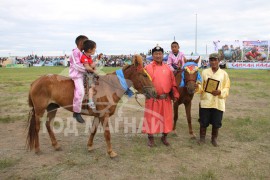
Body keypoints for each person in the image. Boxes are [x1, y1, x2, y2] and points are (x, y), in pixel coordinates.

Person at [142, 45, 180, 147]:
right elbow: (142, 82)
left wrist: (175, 94)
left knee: (166, 119)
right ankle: (150, 138)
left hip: (165, 99)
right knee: (151, 118)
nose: (158, 56)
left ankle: (164, 137)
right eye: (156, 54)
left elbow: (173, 83)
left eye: (160, 54)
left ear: (163, 55)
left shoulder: (168, 68)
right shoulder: (147, 68)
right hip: (152, 99)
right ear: (152, 55)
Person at [196, 53, 230, 147]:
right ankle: (202, 138)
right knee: (203, 121)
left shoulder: (224, 74)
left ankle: (214, 139)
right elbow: (201, 86)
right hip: (206, 100)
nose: (213, 62)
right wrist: (197, 87)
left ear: (219, 61)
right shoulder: (204, 72)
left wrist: (220, 92)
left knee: (216, 122)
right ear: (209, 61)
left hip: (218, 102)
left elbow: (227, 88)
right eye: (211, 60)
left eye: (215, 60)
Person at [69, 35, 88, 123]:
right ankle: (76, 112)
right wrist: (87, 69)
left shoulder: (82, 53)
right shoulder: (74, 52)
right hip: (77, 75)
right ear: (80, 43)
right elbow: (76, 65)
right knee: (80, 92)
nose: (87, 44)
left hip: (83, 74)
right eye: (85, 42)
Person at [80, 40, 97, 109]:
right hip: (87, 74)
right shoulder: (84, 57)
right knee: (91, 86)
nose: (95, 50)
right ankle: (90, 101)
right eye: (94, 48)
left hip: (90, 73)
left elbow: (92, 65)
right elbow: (87, 67)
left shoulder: (89, 57)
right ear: (90, 50)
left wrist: (95, 63)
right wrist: (94, 71)